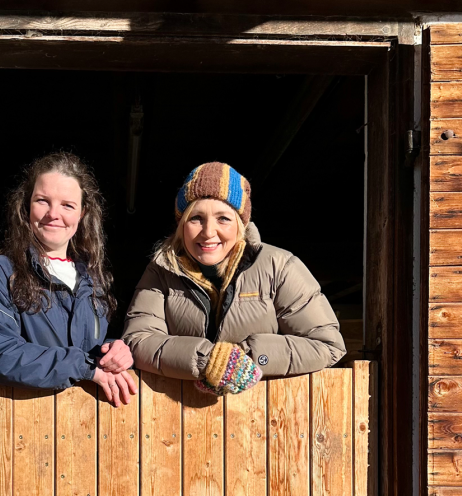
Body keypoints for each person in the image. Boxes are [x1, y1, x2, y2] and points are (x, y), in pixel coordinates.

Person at [122, 162, 345, 395]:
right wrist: (206, 360)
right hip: (176, 418)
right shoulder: (161, 270)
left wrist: (247, 357)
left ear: (241, 225)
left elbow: (328, 345)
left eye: (223, 219)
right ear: (181, 225)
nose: (208, 232)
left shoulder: (280, 267)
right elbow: (138, 339)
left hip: (266, 416)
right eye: (196, 218)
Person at [0, 152, 136, 407]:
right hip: (25, 421)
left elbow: (88, 348)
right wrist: (84, 367)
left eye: (67, 205)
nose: (53, 214)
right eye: (42, 201)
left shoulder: (93, 278)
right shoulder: (3, 271)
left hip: (90, 424)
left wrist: (115, 350)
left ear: (82, 213)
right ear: (26, 205)